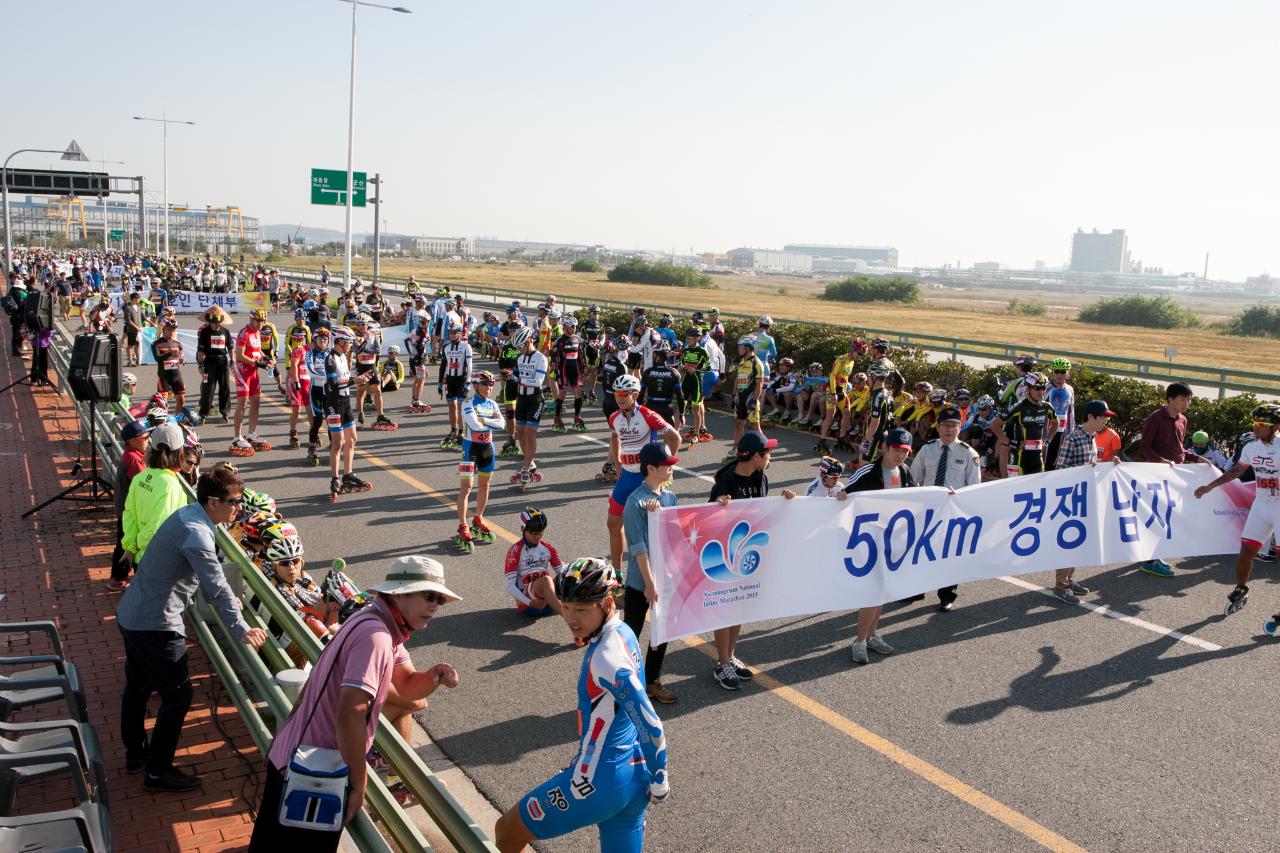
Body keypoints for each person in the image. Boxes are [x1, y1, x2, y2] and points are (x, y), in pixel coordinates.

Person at [249, 556, 460, 848]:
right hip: (312, 773)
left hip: (296, 756)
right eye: (428, 595)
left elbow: (409, 684)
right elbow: (351, 712)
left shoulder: (377, 621)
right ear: (400, 593)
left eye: (440, 598)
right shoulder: (375, 637)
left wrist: (434, 676)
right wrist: (359, 783)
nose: (436, 605)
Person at [495, 559, 668, 853]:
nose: (571, 619)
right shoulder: (623, 632)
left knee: (507, 831)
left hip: (597, 782)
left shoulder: (606, 658)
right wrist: (655, 777)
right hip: (633, 777)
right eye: (565, 606)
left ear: (607, 603)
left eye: (582, 610)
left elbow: (651, 724)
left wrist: (662, 779)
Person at [117, 466, 268, 792]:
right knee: (178, 695)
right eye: (234, 502)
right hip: (156, 625)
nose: (238, 508)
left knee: (138, 686)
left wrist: (231, 605)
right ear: (213, 502)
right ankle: (157, 773)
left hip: (133, 614)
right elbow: (215, 585)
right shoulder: (198, 534)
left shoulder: (189, 514)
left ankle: (135, 755)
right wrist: (241, 627)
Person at [708, 433, 796, 689]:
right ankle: (721, 663)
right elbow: (707, 519)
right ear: (755, 456)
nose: (770, 457)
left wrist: (784, 503)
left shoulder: (760, 477)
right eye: (767, 453)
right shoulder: (724, 483)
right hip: (726, 557)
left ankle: (731, 655)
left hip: (748, 554)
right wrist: (718, 505)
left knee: (739, 606)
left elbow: (761, 511)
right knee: (724, 609)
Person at [1192, 404, 1280, 618]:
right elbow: (1236, 470)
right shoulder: (1252, 447)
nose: (1256, 427)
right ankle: (1241, 588)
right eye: (1254, 423)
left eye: (1261, 424)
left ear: (1275, 426)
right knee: (1247, 549)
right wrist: (1210, 486)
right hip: (1262, 505)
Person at [843, 427, 916, 664]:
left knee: (882, 588)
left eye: (905, 451)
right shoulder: (868, 470)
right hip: (867, 540)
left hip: (892, 540)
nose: (901, 455)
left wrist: (945, 494)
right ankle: (860, 640)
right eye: (896, 450)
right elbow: (844, 493)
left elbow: (919, 496)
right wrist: (841, 496)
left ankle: (872, 635)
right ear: (885, 447)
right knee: (872, 590)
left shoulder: (904, 471)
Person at [621, 442, 682, 705]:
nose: (671, 468)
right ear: (650, 468)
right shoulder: (635, 502)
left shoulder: (669, 498)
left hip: (664, 578)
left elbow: (677, 537)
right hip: (640, 582)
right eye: (666, 465)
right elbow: (638, 548)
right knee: (631, 634)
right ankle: (624, 685)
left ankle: (652, 681)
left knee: (662, 633)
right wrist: (649, 582)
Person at [606, 374, 681, 573]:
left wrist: (667, 467)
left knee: (648, 529)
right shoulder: (614, 417)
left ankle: (658, 570)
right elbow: (614, 437)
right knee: (613, 523)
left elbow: (675, 437)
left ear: (635, 395)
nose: (620, 398)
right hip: (626, 477)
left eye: (624, 394)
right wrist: (618, 462)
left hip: (645, 477)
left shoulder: (647, 414)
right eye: (617, 394)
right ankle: (617, 574)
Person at [909, 406, 981, 612]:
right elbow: (914, 479)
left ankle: (946, 595)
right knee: (921, 549)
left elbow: (974, 488)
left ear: (959, 429)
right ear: (938, 427)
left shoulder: (969, 454)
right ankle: (916, 588)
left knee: (948, 554)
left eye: (954, 426)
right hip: (928, 508)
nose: (950, 430)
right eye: (946, 426)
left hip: (953, 512)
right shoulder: (927, 449)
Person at [1050, 400, 1122, 604]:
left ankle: (1069, 580)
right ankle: (1061, 585)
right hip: (1071, 499)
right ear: (1090, 416)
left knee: (1077, 542)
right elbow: (1061, 470)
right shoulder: (1073, 438)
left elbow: (1090, 466)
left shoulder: (1091, 437)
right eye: (1102, 417)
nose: (1105, 421)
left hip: (1084, 497)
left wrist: (1107, 464)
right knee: (1069, 542)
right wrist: (1086, 469)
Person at [1137, 381, 1198, 577]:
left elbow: (1179, 449)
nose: (1186, 403)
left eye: (1188, 400)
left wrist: (1196, 457)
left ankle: (1153, 554)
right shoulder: (1155, 419)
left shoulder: (1183, 420)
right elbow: (1145, 448)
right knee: (1154, 516)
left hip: (1174, 476)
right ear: (1170, 399)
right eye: (1182, 399)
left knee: (1166, 517)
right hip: (1155, 476)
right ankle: (1148, 560)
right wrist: (1162, 461)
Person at [120, 423, 190, 566]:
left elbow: (129, 514)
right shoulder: (170, 485)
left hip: (138, 557)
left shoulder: (140, 477)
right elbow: (158, 526)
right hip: (159, 560)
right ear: (180, 451)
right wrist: (137, 545)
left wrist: (131, 547)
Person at [455, 371, 505, 550]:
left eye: (491, 385)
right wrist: (490, 420)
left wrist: (483, 419)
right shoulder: (468, 402)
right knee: (466, 488)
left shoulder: (492, 403)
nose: (489, 388)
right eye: (485, 384)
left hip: (488, 449)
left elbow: (503, 425)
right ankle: (462, 524)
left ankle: (478, 517)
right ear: (475, 385)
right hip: (470, 449)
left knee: (485, 485)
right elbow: (475, 426)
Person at [324, 326, 371, 499]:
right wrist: (354, 380)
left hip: (345, 401)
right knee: (338, 442)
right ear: (340, 342)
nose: (351, 345)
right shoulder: (330, 359)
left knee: (352, 439)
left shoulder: (344, 356)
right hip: (333, 403)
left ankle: (348, 474)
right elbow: (332, 385)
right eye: (349, 342)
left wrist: (358, 382)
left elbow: (345, 381)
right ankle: (335, 478)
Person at [111, 419, 152, 591]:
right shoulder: (134, 461)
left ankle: (118, 577)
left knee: (123, 543)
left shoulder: (131, 455)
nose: (148, 440)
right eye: (145, 438)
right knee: (128, 544)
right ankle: (118, 578)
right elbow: (145, 486)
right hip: (130, 511)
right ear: (132, 441)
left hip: (125, 509)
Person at [502, 507, 566, 616]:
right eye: (534, 533)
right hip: (531, 604)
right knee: (546, 580)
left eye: (541, 532)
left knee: (574, 574)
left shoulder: (548, 548)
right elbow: (510, 586)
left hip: (548, 600)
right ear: (523, 529)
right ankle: (566, 615)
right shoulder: (515, 550)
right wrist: (530, 602)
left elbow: (562, 572)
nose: (538, 536)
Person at [231, 308, 272, 456]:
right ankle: (237, 436)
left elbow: (258, 351)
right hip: (243, 371)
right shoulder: (245, 332)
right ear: (251, 319)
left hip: (253, 371)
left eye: (262, 321)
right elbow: (240, 355)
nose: (260, 323)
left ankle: (251, 433)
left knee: (256, 401)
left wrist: (266, 358)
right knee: (243, 403)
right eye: (258, 321)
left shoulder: (257, 333)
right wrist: (257, 363)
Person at [512, 327, 548, 485]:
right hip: (522, 399)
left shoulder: (541, 358)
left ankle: (525, 468)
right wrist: (511, 377)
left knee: (530, 432)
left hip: (535, 399)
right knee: (519, 432)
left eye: (520, 347)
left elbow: (538, 381)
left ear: (528, 342)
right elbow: (517, 376)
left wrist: (518, 380)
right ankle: (530, 462)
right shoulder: (520, 358)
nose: (519, 350)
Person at [727, 334, 766, 461]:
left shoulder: (757, 363)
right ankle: (737, 448)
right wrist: (734, 396)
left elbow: (760, 383)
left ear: (748, 348)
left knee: (755, 425)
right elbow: (738, 380)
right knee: (739, 423)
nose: (739, 349)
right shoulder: (742, 361)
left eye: (741, 347)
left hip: (750, 398)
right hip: (741, 397)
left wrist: (754, 400)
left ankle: (765, 450)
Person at [196, 306, 234, 423]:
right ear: (209, 321)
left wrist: (232, 361)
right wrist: (200, 364)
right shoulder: (204, 332)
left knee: (225, 387)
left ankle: (225, 411)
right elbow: (201, 350)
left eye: (217, 322)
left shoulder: (225, 332)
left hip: (223, 363)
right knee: (208, 389)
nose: (215, 325)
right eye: (213, 322)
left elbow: (230, 348)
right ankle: (204, 413)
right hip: (209, 363)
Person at [439, 321, 473, 447]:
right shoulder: (446, 347)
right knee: (451, 407)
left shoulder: (466, 346)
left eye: (454, 333)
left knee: (459, 407)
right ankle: (453, 430)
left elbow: (469, 366)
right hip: (450, 380)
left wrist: (468, 383)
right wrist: (439, 382)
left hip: (461, 379)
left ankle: (461, 432)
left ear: (459, 333)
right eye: (450, 332)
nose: (451, 335)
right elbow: (443, 366)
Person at [151, 318, 187, 414]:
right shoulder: (156, 344)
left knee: (181, 401)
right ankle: (163, 423)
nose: (171, 332)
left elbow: (181, 358)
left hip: (176, 375)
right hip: (164, 377)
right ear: (163, 330)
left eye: (173, 330)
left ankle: (176, 421)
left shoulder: (178, 344)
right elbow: (157, 358)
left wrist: (182, 360)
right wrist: (170, 353)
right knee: (162, 404)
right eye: (169, 330)